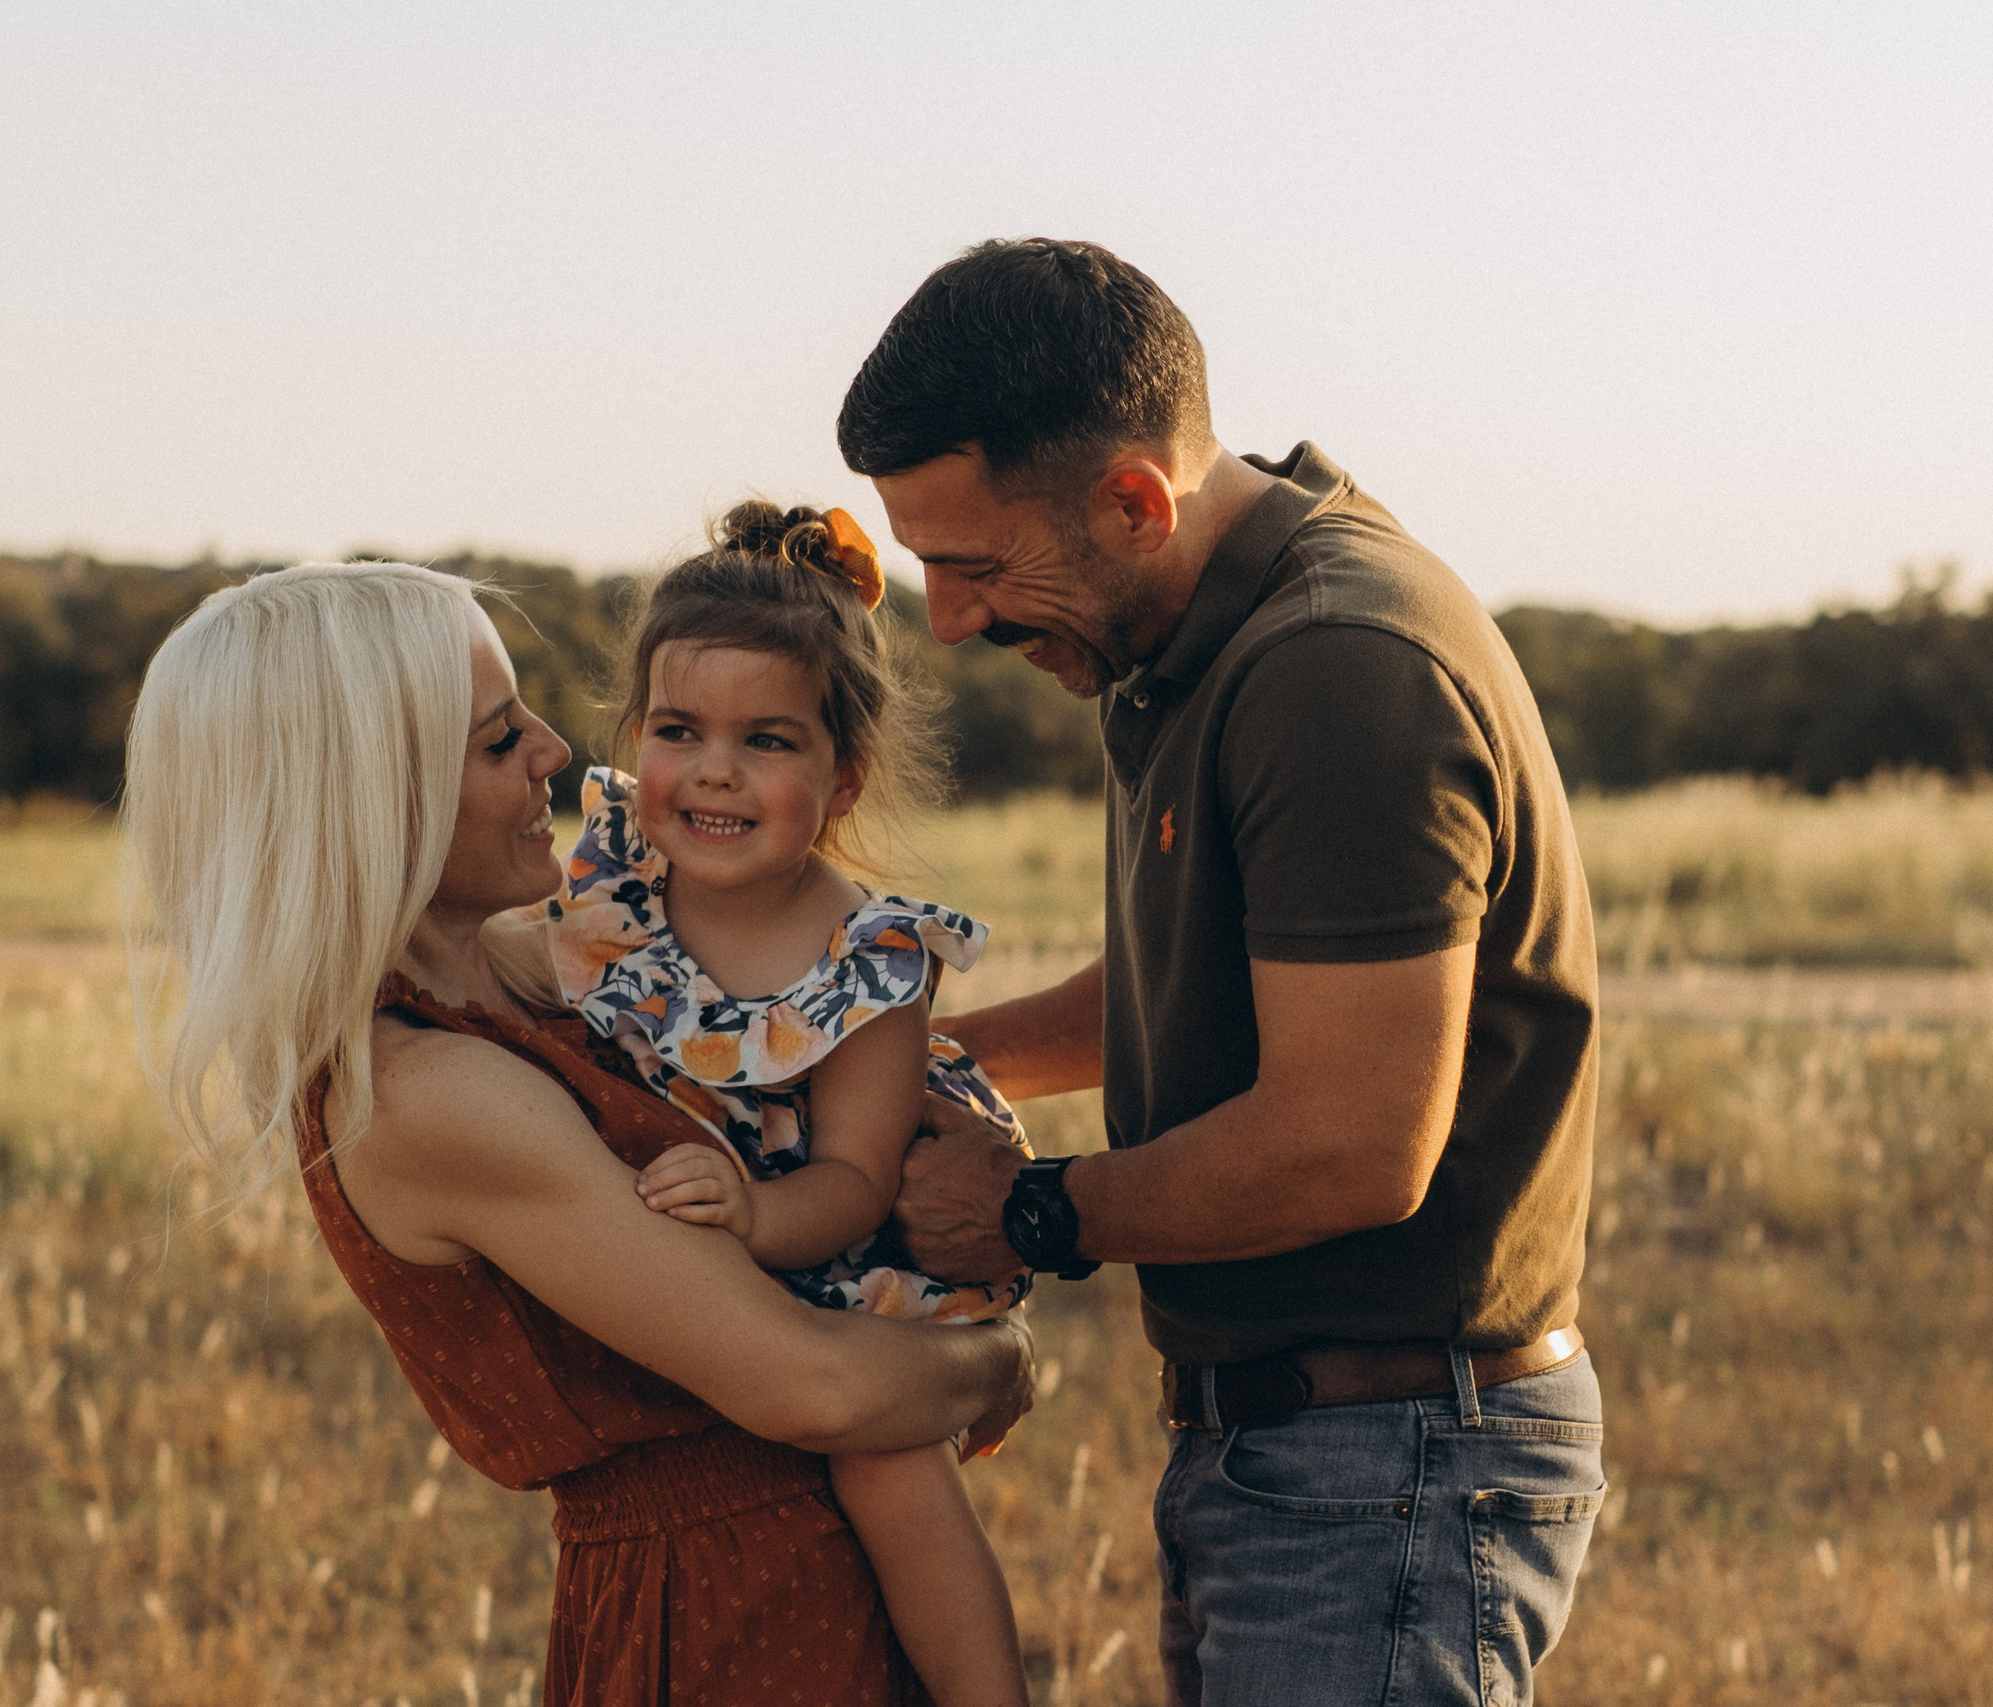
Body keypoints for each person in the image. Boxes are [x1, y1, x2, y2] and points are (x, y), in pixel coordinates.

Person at [841, 239, 1605, 1706]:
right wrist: (913, 1068)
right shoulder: (1194, 630)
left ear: (1136, 498)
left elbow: (1349, 1143)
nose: (947, 618)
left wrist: (1030, 1205)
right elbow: (1192, 991)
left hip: (1385, 1462)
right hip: (1309, 1453)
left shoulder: (1336, 664)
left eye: (975, 563)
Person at [120, 559, 1031, 1706]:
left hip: (817, 1566)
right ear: (373, 800)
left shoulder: (551, 975)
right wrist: (1001, 1363)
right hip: (726, 1621)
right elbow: (816, 1391)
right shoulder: (427, 1088)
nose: (556, 750)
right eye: (500, 741)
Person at [525, 500, 1030, 1707]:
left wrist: (753, 1217)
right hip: (688, 1258)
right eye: (678, 729)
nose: (713, 771)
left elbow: (857, 1182)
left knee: (886, 1471)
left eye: (768, 741)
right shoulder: (610, 895)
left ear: (841, 774)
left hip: (834, 1253)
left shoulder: (870, 962)